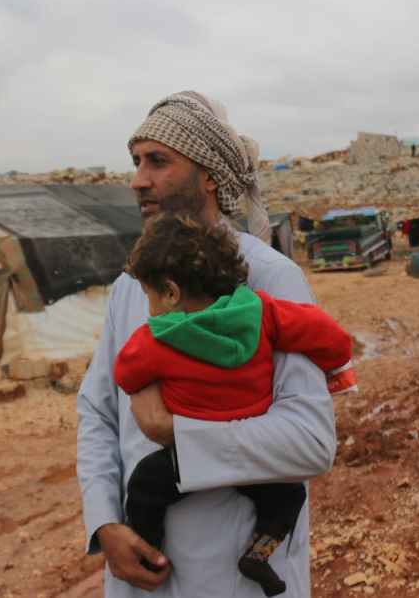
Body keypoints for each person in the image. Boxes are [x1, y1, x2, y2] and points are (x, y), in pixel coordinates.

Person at [77, 91, 338, 597]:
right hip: (142, 575)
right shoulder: (132, 285)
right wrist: (105, 522)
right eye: (136, 162)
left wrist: (177, 434)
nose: (138, 180)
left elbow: (311, 441)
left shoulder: (268, 277)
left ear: (210, 175)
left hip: (231, 576)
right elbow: (96, 410)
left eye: (158, 161)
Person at [114, 214, 354, 596]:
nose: (148, 307)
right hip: (253, 451)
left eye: (149, 296)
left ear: (171, 293)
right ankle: (260, 553)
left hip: (187, 451)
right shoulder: (261, 311)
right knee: (289, 495)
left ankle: (149, 551)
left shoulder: (156, 338)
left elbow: (125, 373)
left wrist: (142, 386)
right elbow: (324, 333)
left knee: (145, 485)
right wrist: (336, 361)